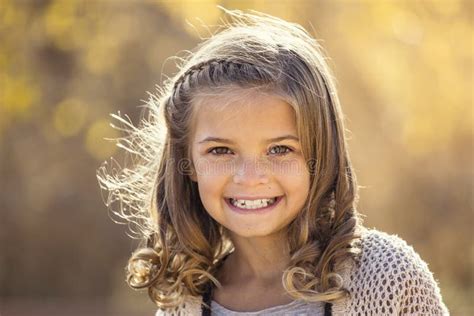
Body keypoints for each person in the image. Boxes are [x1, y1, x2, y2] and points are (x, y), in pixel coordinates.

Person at [97, 8, 449, 316]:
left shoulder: (385, 276)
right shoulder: (183, 304)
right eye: (221, 151)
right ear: (186, 163)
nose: (251, 177)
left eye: (280, 150)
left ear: (319, 155)